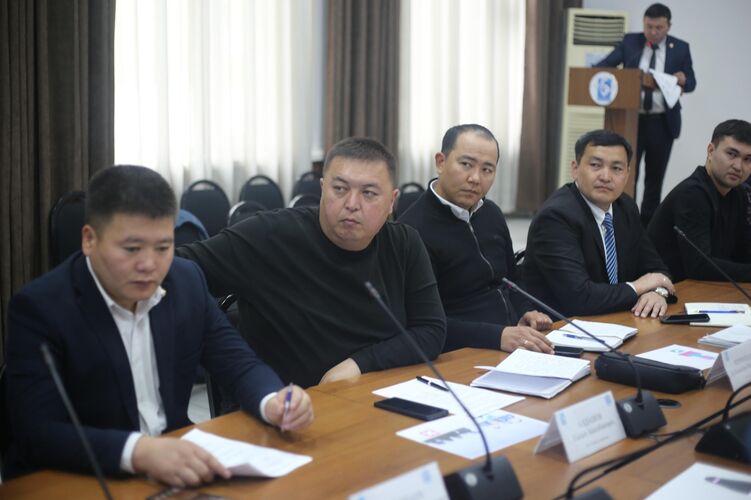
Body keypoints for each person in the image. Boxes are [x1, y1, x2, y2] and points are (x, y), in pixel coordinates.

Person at [3, 166, 313, 486]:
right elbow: (37, 433)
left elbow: (238, 362)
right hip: (78, 477)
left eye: (163, 247)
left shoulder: (185, 281)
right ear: (89, 240)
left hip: (172, 466)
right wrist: (138, 451)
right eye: (132, 249)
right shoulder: (41, 307)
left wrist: (273, 401)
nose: (149, 265)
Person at [177, 137, 446, 388]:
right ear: (322, 189)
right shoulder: (270, 236)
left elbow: (430, 330)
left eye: (369, 193)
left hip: (373, 395)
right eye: (339, 189)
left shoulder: (404, 243)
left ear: (392, 202)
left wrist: (359, 364)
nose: (352, 204)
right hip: (287, 405)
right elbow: (176, 269)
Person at [399, 124, 553, 354]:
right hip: (463, 353)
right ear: (441, 162)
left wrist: (526, 310)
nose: (475, 178)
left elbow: (511, 279)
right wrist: (498, 336)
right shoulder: (411, 230)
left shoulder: (491, 213)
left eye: (487, 170)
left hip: (513, 340)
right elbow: (423, 323)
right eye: (466, 164)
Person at [523, 129, 675, 318]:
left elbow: (657, 270)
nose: (605, 176)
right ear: (575, 169)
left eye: (616, 168)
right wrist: (639, 287)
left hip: (618, 319)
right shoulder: (556, 217)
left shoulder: (625, 207)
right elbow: (580, 299)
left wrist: (657, 292)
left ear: (627, 174)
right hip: (563, 326)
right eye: (595, 165)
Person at [595, 3, 696, 226]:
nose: (653, 32)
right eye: (649, 26)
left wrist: (684, 79)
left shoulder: (680, 48)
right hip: (630, 121)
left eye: (658, 27)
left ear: (668, 26)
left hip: (662, 122)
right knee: (625, 174)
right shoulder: (631, 42)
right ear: (644, 23)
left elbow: (691, 83)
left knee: (654, 180)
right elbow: (603, 65)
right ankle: (622, 223)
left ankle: (647, 230)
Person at [647, 119, 751, 282]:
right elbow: (699, 267)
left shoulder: (739, 194)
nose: (738, 166)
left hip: (704, 288)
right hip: (665, 289)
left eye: (748, 159)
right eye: (731, 154)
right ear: (711, 151)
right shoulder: (692, 194)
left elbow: (743, 252)